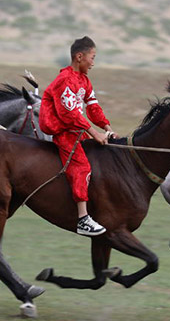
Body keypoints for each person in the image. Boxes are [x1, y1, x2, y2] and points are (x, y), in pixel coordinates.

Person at [39, 36, 116, 236]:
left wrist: (107, 128)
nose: (93, 62)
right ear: (79, 56)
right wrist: (94, 133)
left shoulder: (84, 80)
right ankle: (82, 219)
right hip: (65, 131)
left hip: (78, 129)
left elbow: (93, 107)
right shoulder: (64, 81)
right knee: (81, 166)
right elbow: (70, 114)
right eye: (92, 57)